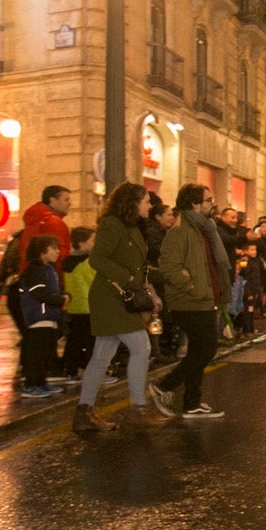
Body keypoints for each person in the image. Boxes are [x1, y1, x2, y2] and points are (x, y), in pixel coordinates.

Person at [72, 182, 173, 433]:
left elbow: (138, 265)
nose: (150, 206)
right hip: (110, 297)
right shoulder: (112, 225)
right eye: (146, 201)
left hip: (122, 297)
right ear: (132, 203)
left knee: (101, 356)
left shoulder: (133, 227)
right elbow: (97, 259)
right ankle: (138, 410)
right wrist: (128, 280)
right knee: (142, 347)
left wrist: (149, 290)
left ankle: (84, 413)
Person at [150, 185, 227, 419]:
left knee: (198, 350)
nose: (211, 204)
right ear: (195, 204)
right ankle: (163, 385)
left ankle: (192, 403)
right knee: (206, 350)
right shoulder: (181, 231)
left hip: (204, 299)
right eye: (207, 200)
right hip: (190, 301)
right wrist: (193, 288)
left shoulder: (203, 229)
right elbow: (168, 268)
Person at [15, 234, 67, 399]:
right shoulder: (35, 270)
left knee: (46, 353)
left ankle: (41, 382)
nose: (58, 251)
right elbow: (39, 293)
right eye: (54, 248)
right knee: (37, 353)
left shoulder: (48, 269)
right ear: (42, 251)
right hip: (38, 317)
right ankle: (31, 385)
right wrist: (60, 299)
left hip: (48, 317)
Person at [60, 226, 96, 380]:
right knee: (91, 341)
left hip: (74, 306)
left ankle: (70, 370)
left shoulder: (67, 262)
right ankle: (92, 372)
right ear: (81, 243)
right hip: (89, 306)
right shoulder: (88, 263)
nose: (96, 243)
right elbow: (97, 282)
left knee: (74, 340)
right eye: (93, 240)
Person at [18, 185, 71, 262]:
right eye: (66, 200)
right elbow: (61, 255)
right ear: (52, 201)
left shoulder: (35, 219)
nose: (70, 203)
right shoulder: (53, 223)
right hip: (49, 271)